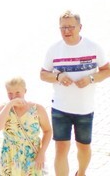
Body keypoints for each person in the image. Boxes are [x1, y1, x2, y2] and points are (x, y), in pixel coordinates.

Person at [40, 10, 110, 176]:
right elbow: (43, 74)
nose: (66, 31)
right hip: (60, 108)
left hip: (85, 109)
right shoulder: (54, 49)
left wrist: (91, 78)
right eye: (63, 27)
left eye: (71, 27)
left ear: (80, 27)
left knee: (83, 147)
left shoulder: (93, 47)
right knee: (61, 148)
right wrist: (58, 76)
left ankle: (82, 173)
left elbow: (107, 70)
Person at [0, 77, 52, 175]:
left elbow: (48, 131)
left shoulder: (38, 109)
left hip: (32, 154)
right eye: (10, 93)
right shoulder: (2, 108)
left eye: (17, 93)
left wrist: (42, 153)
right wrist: (9, 105)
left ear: (25, 91)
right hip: (9, 155)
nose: (14, 96)